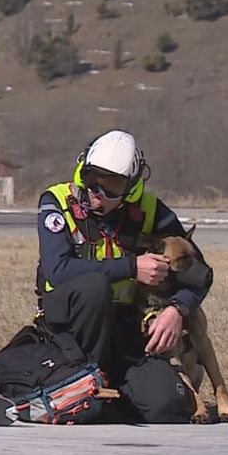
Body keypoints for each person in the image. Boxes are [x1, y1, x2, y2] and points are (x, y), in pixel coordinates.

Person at [34, 129, 210, 423]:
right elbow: (58, 270)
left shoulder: (150, 211)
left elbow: (199, 273)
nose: (97, 193)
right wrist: (131, 267)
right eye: (92, 180)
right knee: (94, 285)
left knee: (165, 404)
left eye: (111, 186)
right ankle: (81, 380)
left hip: (125, 331)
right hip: (69, 328)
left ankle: (113, 391)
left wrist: (177, 310)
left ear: (130, 188)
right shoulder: (57, 202)